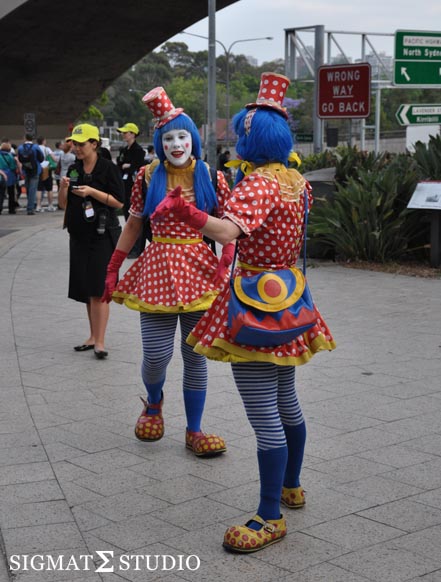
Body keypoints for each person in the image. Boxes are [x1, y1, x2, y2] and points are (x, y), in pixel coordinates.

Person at [152, 73, 336, 553]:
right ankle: (292, 486)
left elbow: (227, 233)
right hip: (291, 296)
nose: (235, 141)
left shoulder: (256, 185)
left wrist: (187, 213)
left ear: (251, 137)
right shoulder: (296, 179)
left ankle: (270, 515)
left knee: (263, 412)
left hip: (255, 303)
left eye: (240, 134)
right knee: (286, 399)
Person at [101, 87, 231, 457]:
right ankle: (154, 402)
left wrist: (226, 258)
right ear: (160, 142)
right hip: (157, 270)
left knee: (195, 355)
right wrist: (114, 267)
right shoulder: (146, 177)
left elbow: (227, 226)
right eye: (169, 138)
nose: (177, 144)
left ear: (193, 138)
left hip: (199, 273)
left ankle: (195, 429)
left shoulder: (210, 176)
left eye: (182, 136)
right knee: (157, 355)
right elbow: (133, 224)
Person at [58, 123, 124, 359]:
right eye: (74, 143)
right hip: (78, 236)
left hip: (101, 236)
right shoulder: (74, 169)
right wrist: (63, 188)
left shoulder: (108, 168)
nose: (76, 148)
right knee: (87, 290)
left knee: (98, 290)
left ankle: (101, 341)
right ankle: (92, 335)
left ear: (94, 144)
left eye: (81, 144)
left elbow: (119, 202)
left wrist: (92, 193)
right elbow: (64, 205)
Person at [116, 122, 147, 257]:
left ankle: (137, 248)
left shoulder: (139, 150)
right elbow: (120, 164)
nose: (124, 135)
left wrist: (128, 166)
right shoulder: (123, 150)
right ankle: (129, 247)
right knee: (127, 216)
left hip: (134, 187)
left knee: (135, 218)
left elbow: (136, 166)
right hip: (124, 186)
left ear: (133, 134)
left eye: (126, 132)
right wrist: (126, 165)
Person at [17, 134, 44, 215]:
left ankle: (30, 204)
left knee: (28, 188)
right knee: (33, 188)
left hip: (26, 169)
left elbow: (20, 159)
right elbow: (41, 158)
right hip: (35, 170)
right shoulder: (36, 147)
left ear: (25, 138)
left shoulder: (20, 147)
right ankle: (30, 208)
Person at [36, 136, 57, 212]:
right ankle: (50, 205)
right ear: (43, 141)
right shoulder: (47, 149)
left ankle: (38, 206)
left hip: (38, 169)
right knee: (49, 188)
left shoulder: (36, 148)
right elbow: (54, 159)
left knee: (39, 188)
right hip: (46, 169)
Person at [0, 141, 19, 214]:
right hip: (10, 176)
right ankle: (11, 209)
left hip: (1, 175)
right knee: (11, 193)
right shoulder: (11, 156)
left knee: (1, 193)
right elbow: (13, 167)